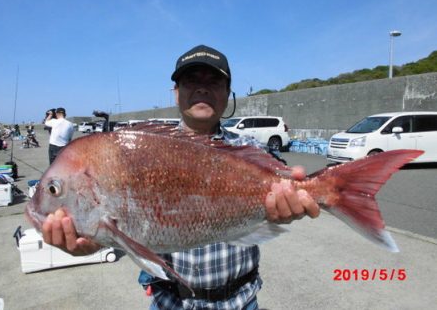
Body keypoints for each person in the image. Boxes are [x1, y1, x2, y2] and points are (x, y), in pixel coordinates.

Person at [41, 45, 320, 309]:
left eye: (213, 80)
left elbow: (287, 189)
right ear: (175, 92)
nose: (201, 86)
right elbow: (129, 229)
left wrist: (295, 199)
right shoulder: (142, 150)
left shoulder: (250, 150)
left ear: (228, 92)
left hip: (240, 301)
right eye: (190, 80)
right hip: (170, 303)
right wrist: (90, 242)